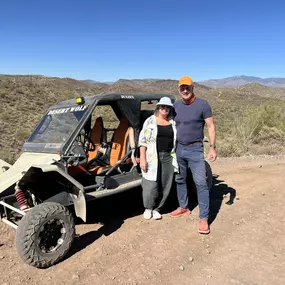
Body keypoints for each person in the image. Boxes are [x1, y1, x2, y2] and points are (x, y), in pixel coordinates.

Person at [170, 76, 217, 234]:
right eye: (182, 88)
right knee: (180, 179)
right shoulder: (176, 105)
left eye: (187, 87)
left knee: (201, 183)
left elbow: (210, 126)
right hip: (179, 149)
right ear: (178, 89)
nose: (185, 90)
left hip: (195, 149)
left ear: (193, 88)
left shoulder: (203, 104)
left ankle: (204, 218)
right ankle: (184, 207)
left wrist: (212, 147)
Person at [138, 97, 178, 220]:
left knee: (166, 183)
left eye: (167, 107)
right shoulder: (150, 121)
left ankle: (158, 208)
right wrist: (142, 158)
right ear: (158, 108)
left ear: (170, 109)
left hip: (168, 156)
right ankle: (148, 207)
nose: (165, 109)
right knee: (150, 183)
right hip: (152, 156)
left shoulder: (173, 122)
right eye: (162, 107)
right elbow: (143, 141)